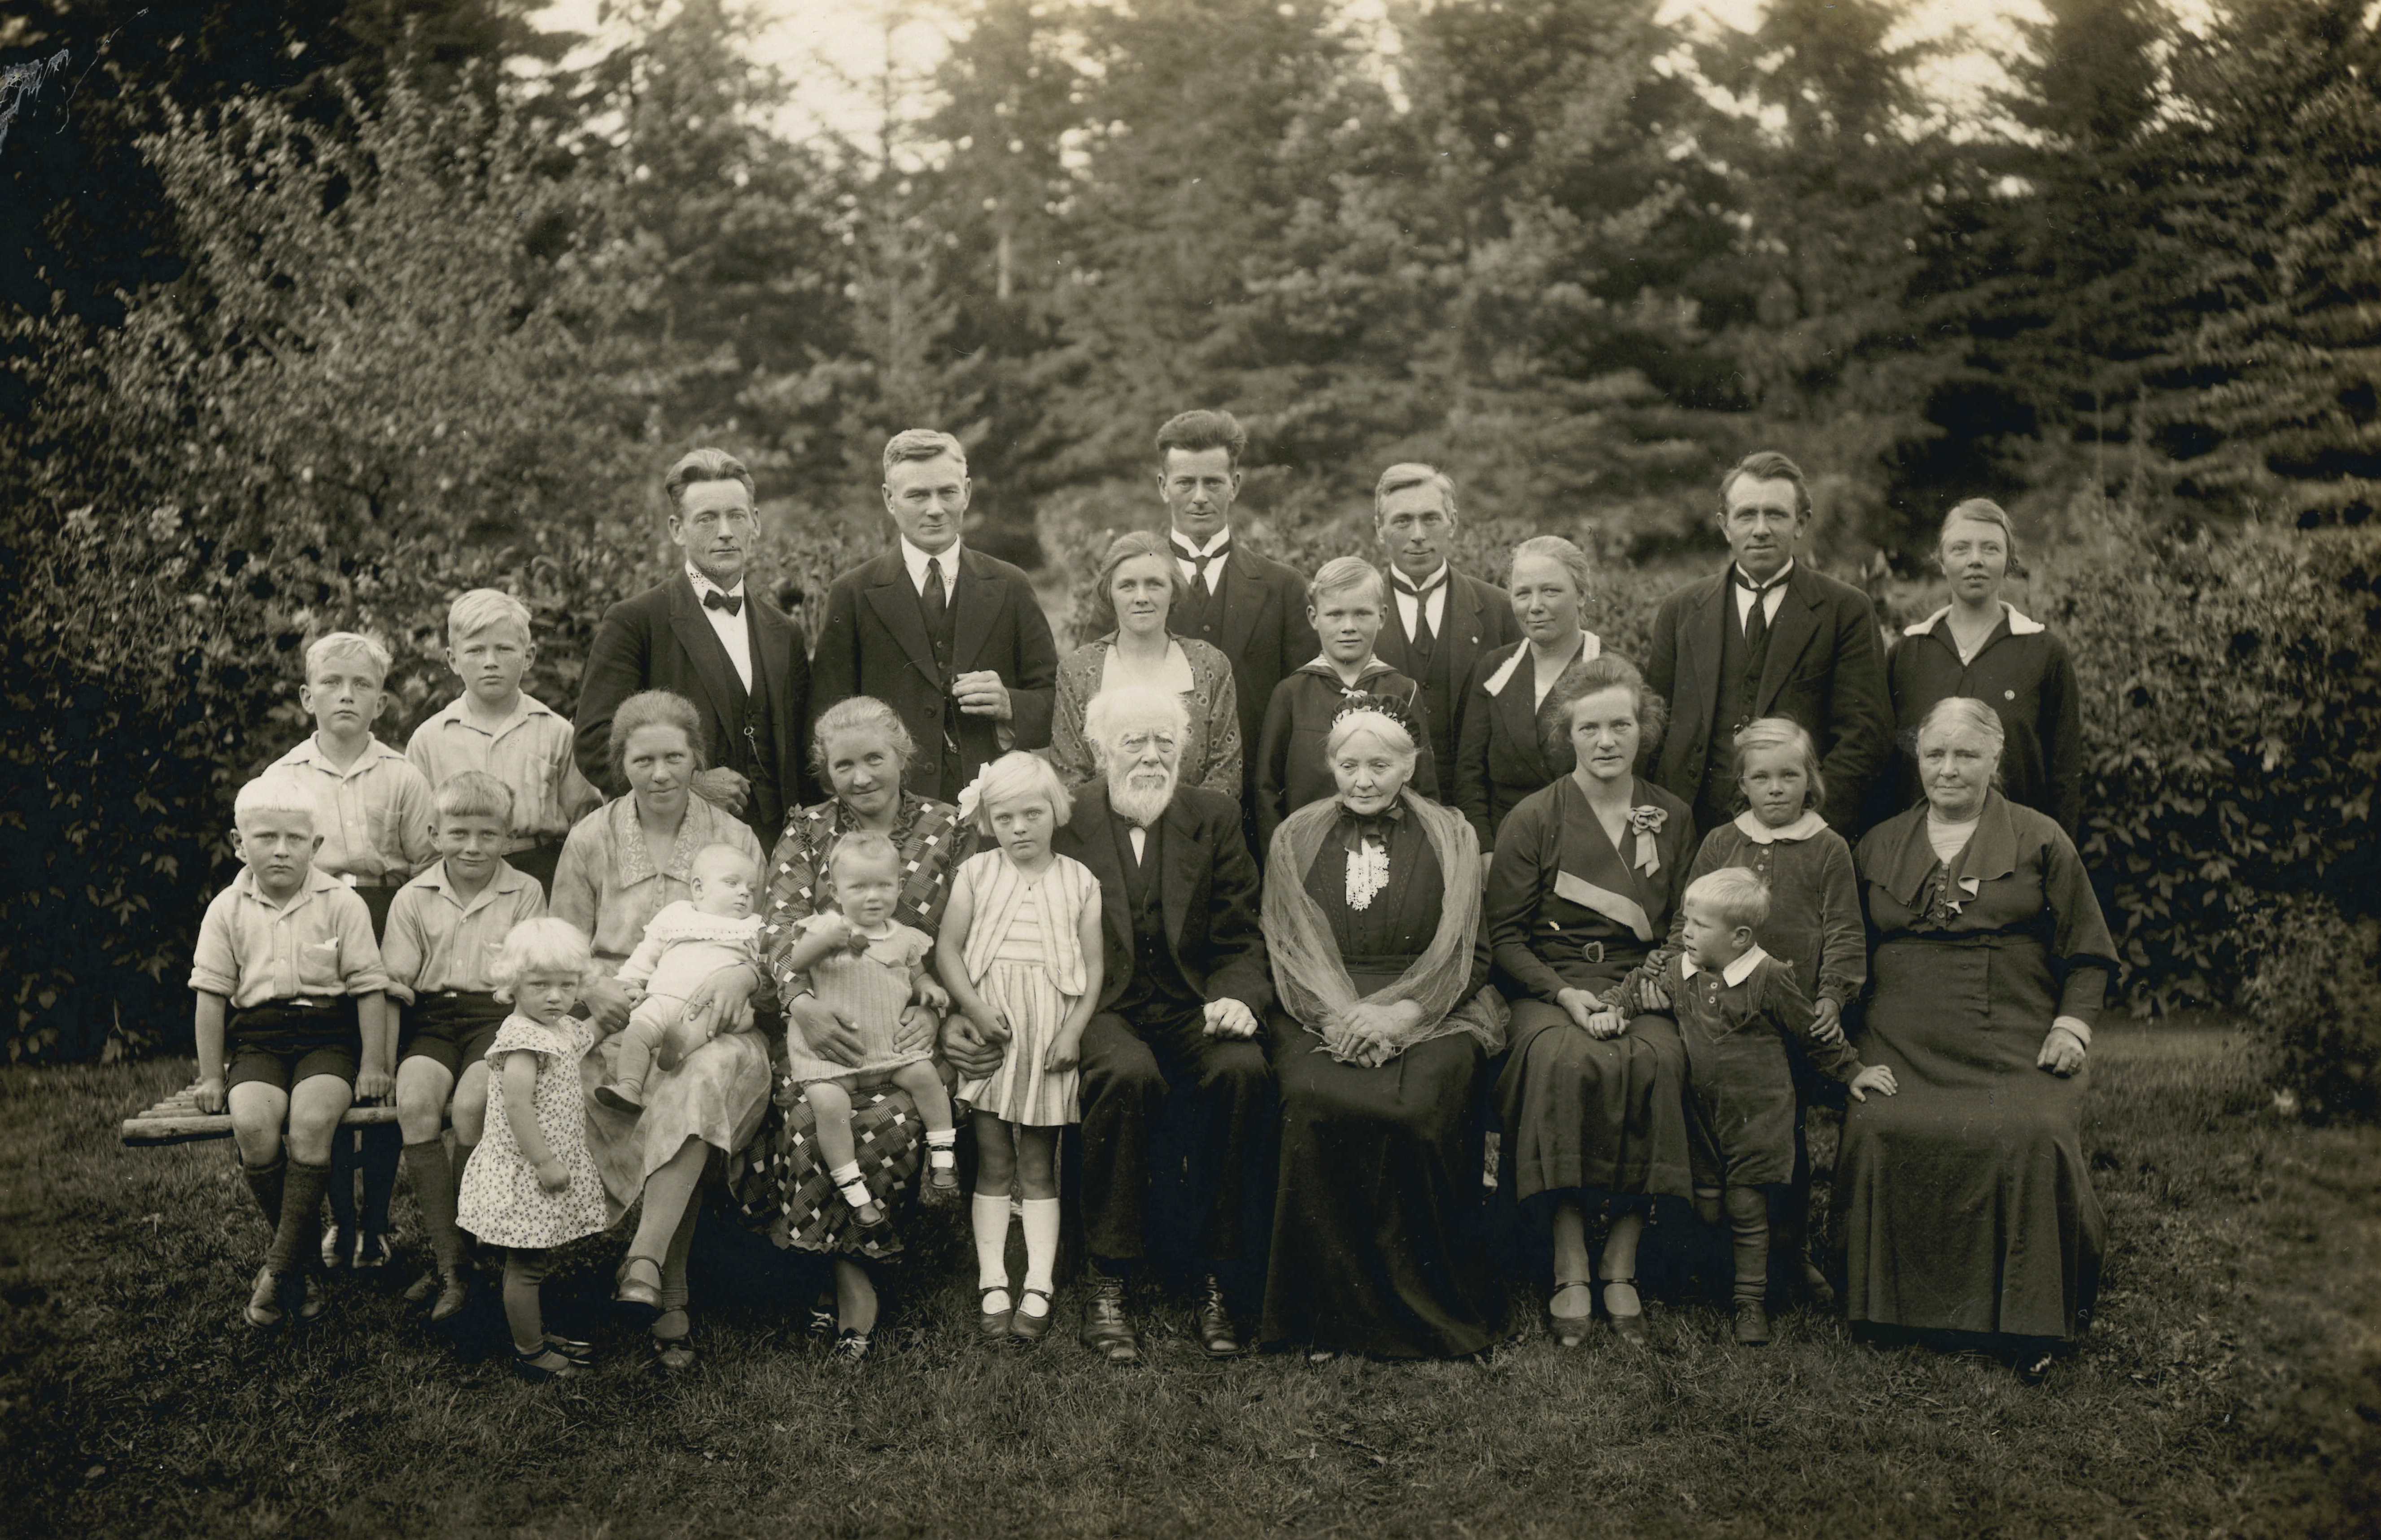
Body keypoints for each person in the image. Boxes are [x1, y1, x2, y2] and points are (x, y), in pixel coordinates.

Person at [945, 684, 1274, 1364]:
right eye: (1133, 743)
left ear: (1183, 750)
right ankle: (1108, 1277)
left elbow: (1242, 934)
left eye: (1165, 743)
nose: (1151, 757)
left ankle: (1217, 1278)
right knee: (1126, 1076)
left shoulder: (1212, 815)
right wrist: (965, 1007)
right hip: (1097, 1007)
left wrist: (1237, 996)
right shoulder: (1065, 817)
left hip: (1191, 1004)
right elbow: (992, 907)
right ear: (1098, 751)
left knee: (1241, 1073)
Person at [1839, 698, 2117, 1373]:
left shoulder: (2040, 838)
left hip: (2012, 1031)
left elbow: (2086, 953)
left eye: (1965, 754)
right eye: (1934, 754)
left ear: (1994, 760)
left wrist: (2070, 1028)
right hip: (1902, 1035)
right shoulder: (1874, 844)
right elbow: (1844, 950)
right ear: (1917, 760)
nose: (1947, 768)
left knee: (2030, 1133)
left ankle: (2029, 1319)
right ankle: (1888, 1311)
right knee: (1883, 1128)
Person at [1258, 706, 1509, 1361]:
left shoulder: (1451, 834)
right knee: (1313, 1104)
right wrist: (1340, 1015)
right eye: (1349, 765)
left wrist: (1404, 1014)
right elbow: (1286, 946)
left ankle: (1423, 1311)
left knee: (1418, 1109)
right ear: (1330, 766)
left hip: (1432, 1007)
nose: (1363, 780)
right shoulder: (1295, 836)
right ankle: (1323, 1313)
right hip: (1320, 1007)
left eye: (1379, 765)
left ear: (1409, 766)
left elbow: (1470, 952)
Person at [728, 695, 976, 1356]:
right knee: (811, 1112)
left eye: (874, 758)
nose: (861, 776)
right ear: (825, 772)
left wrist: (932, 1007)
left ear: (902, 756)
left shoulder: (948, 826)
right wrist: (800, 1004)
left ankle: (843, 1275)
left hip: (905, 1027)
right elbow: (779, 928)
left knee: (895, 1111)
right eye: (843, 765)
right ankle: (847, 1273)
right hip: (820, 1020)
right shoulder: (808, 830)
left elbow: (965, 935)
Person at [550, 690, 771, 1373]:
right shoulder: (591, 837)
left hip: (720, 1017)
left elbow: (772, 944)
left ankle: (644, 1260)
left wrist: (747, 983)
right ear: (622, 765)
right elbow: (563, 942)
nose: (660, 773)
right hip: (621, 1013)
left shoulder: (733, 839)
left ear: (696, 759)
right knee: (579, 1083)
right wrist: (594, 987)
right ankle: (659, 1292)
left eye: (674, 757)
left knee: (701, 1080)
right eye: (642, 759)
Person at [1489, 656, 1697, 1346]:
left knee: (1658, 1064)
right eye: (1590, 727)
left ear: (1643, 731)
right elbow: (1506, 937)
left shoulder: (1671, 815)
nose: (1606, 740)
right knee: (1560, 1063)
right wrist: (1566, 994)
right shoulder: (1534, 816)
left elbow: (1680, 931)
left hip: (1644, 985)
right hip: (1551, 986)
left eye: (1620, 725)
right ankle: (1569, 1258)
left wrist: (1636, 994)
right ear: (1565, 734)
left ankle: (1623, 1260)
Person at [1597, 868, 1895, 1345]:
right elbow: (1632, 987)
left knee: (1747, 1207)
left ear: (1740, 937)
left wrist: (1852, 1071)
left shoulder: (1770, 978)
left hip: (1758, 1115)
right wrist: (1611, 1007)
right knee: (1708, 1204)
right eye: (1686, 921)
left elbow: (1811, 1034)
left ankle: (1749, 1302)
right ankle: (1709, 1279)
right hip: (1702, 1114)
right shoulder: (1679, 971)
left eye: (1699, 925)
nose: (1686, 933)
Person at [1663, 716, 1864, 1305]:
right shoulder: (1721, 842)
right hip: (1721, 1023)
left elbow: (1845, 932)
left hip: (1790, 1016)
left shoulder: (1827, 848)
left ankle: (1790, 1253)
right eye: (1760, 777)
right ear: (1741, 784)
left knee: (1785, 1141)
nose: (1775, 788)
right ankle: (1715, 1257)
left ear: (1810, 780)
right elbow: (1686, 923)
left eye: (1788, 775)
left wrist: (1831, 996)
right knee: (1713, 1140)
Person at [187, 776, 392, 1329]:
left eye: (295, 839)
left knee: (313, 1120)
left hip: (329, 1036)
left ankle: (279, 1270)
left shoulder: (342, 903)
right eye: (266, 837)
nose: (281, 849)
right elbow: (211, 999)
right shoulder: (226, 909)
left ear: (316, 845)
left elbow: (370, 987)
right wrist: (212, 1077)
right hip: (258, 1038)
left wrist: (374, 1063)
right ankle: (300, 1264)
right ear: (238, 842)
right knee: (253, 1125)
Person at [266, 630, 433, 1274]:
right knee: (334, 1062)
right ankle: (341, 1217)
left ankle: (377, 1217)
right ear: (308, 696)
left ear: (381, 702)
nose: (346, 695)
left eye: (361, 685)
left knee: (382, 1063)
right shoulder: (283, 778)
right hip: (316, 917)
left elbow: (427, 867)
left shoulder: (403, 775)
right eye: (332, 683)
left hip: (389, 912)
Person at [939, 753, 1105, 1347]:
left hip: (1047, 1035)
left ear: (1055, 812)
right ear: (989, 820)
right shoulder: (977, 873)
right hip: (994, 1028)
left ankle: (1038, 1281)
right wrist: (973, 1008)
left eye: (1031, 813)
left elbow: (1093, 969)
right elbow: (949, 950)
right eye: (1004, 816)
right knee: (993, 1159)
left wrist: (1072, 1032)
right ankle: (991, 1279)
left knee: (1038, 1162)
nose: (1019, 828)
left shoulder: (1080, 881)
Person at [1644, 450, 1891, 837]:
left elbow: (1864, 736)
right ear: (1725, 526)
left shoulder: (1846, 610)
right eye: (1746, 515)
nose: (1760, 529)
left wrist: (1811, 825)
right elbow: (1652, 727)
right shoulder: (1680, 609)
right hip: (1692, 832)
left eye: (1775, 514)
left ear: (1800, 523)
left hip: (1802, 832)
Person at [573, 448, 813, 844]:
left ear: (755, 522)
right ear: (677, 529)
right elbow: (595, 741)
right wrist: (690, 785)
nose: (725, 531)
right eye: (706, 519)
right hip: (678, 843)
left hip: (777, 849)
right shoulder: (636, 620)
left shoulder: (784, 630)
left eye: (736, 515)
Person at [808, 429, 1059, 802]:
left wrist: (1010, 705)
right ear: (889, 500)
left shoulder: (1010, 584)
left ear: (968, 493)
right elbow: (826, 718)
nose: (935, 509)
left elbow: (1056, 702)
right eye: (917, 495)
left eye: (947, 492)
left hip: (993, 808)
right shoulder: (853, 593)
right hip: (892, 812)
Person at [381, 771, 546, 1320]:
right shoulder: (413, 897)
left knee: (472, 1105)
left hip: (495, 1020)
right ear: (434, 833)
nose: (473, 846)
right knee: (415, 1104)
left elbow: (532, 975)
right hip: (430, 1019)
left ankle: (464, 1254)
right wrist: (382, 1059)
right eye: (458, 833)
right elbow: (396, 983)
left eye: (487, 834)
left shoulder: (524, 892)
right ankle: (452, 1262)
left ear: (508, 837)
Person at [775, 833, 959, 1261]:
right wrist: (831, 938)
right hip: (831, 1057)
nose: (872, 897)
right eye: (858, 888)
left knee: (926, 1077)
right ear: (836, 892)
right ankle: (854, 1191)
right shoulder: (822, 926)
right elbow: (796, 962)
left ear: (898, 886)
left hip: (888, 1049)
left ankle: (943, 1152)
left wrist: (930, 990)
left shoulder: (905, 937)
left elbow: (917, 975)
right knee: (829, 1106)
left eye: (883, 886)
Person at [1152, 409, 1319, 850]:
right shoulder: (1129, 582)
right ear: (1162, 486)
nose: (1200, 497)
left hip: (1257, 813)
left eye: (1214, 483)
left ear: (1236, 486)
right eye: (1186, 483)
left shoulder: (1283, 587)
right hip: (1156, 805)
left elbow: (1306, 706)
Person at [455, 917, 613, 1381]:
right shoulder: (522, 1041)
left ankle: (535, 1332)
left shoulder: (558, 1027)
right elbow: (516, 1104)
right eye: (540, 984)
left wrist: (615, 1016)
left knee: (536, 1260)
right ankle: (531, 1350)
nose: (555, 996)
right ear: (512, 984)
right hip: (527, 1168)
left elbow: (585, 1039)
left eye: (567, 985)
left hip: (545, 1162)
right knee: (526, 1265)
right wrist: (544, 1161)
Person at [1877, 498, 2084, 836]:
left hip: (2015, 856)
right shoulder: (1907, 653)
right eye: (1960, 548)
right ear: (1941, 561)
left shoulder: (2044, 652)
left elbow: (2064, 774)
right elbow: (1885, 771)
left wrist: (2052, 863)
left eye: (1990, 548)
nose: (1975, 560)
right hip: (1918, 856)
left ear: (2008, 561)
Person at [405, 588, 599, 895]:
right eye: (476, 651)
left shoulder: (556, 733)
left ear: (529, 657)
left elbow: (585, 824)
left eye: (505, 649)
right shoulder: (429, 739)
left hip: (541, 871)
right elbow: (420, 837)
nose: (491, 662)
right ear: (453, 660)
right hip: (459, 877)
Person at [1255, 557, 1438, 854]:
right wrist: (1279, 863)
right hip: (1308, 856)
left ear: (1382, 616)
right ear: (1314, 618)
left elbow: (1424, 789)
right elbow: (1267, 791)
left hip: (1390, 853)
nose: (1348, 627)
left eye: (1362, 614)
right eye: (1335, 615)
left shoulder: (1403, 691)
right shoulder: (1291, 693)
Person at [1048, 530, 1242, 797]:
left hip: (1194, 832)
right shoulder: (1078, 671)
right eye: (1127, 585)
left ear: (1173, 591)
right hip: (1104, 835)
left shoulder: (1210, 665)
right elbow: (1070, 777)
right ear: (1110, 593)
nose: (1142, 597)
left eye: (1154, 584)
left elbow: (1226, 773)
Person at [1368, 463, 1522, 796]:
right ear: (1379, 529)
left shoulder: (1500, 611)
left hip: (1479, 807)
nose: (1418, 534)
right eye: (1402, 520)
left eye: (1431, 518)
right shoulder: (1355, 617)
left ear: (1452, 522)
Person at [1452, 536, 1607, 853]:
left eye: (1550, 591)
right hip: (1506, 852)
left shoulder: (1612, 671)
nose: (1535, 606)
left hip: (1589, 851)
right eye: (1523, 593)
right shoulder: (1494, 668)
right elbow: (1470, 776)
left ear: (1581, 595)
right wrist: (1485, 853)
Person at [592, 844, 767, 1113]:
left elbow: (762, 965)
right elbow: (647, 954)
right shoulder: (677, 916)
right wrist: (628, 982)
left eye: (751, 889)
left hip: (707, 1004)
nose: (744, 892)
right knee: (637, 1032)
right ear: (698, 889)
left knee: (703, 1026)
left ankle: (676, 1052)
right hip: (661, 998)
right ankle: (628, 1086)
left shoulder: (754, 926)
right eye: (732, 883)